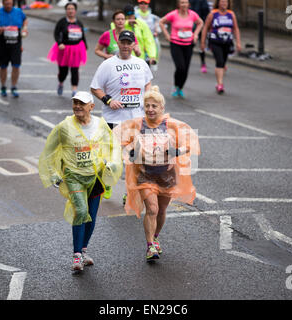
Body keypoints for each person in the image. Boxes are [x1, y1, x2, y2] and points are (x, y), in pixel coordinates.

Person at [113, 86, 200, 261]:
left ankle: (156, 237)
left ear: (162, 108)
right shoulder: (137, 124)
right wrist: (130, 150)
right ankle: (150, 246)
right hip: (145, 175)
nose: (150, 109)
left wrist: (177, 151)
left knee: (161, 211)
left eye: (154, 106)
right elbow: (116, 138)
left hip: (167, 175)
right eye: (148, 106)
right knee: (152, 209)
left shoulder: (172, 125)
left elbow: (191, 143)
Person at [38, 91, 122, 271]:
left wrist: (111, 164)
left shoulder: (100, 125)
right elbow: (49, 151)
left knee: (91, 216)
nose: (77, 106)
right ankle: (76, 256)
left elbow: (112, 146)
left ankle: (83, 250)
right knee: (81, 211)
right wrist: (53, 174)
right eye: (75, 102)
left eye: (81, 103)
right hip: (74, 177)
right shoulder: (64, 127)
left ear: (91, 106)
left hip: (96, 177)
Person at [91, 30, 153, 200]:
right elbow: (95, 87)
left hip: (136, 119)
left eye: (129, 43)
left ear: (134, 45)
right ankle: (108, 183)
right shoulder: (107, 64)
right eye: (123, 42)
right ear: (118, 43)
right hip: (114, 119)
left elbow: (148, 83)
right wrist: (108, 100)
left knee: (134, 160)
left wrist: (147, 100)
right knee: (113, 158)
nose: (125, 46)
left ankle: (129, 193)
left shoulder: (141, 64)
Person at [159, 0, 203, 98]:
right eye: (182, 2)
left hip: (188, 44)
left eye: (185, 2)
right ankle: (175, 86)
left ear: (188, 4)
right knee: (180, 67)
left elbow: (200, 23)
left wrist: (195, 34)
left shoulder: (192, 14)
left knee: (186, 69)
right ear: (178, 4)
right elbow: (161, 21)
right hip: (176, 44)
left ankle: (180, 88)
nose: (184, 4)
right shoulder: (174, 14)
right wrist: (166, 35)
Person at [47, 1, 87, 97]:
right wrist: (59, 43)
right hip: (64, 49)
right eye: (68, 9)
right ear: (66, 11)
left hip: (76, 49)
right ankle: (61, 83)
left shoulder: (79, 23)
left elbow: (82, 35)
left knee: (75, 70)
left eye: (72, 9)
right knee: (63, 71)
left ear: (75, 11)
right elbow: (56, 33)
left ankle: (74, 90)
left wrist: (85, 46)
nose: (70, 11)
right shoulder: (62, 22)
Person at [0, 0, 28, 98]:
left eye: (10, 4)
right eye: (6, 4)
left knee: (16, 66)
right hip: (3, 44)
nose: (8, 6)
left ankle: (14, 86)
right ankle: (3, 86)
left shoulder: (18, 12)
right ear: (3, 4)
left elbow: (25, 20)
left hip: (16, 44)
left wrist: (25, 28)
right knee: (3, 67)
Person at [201, 0, 241, 94]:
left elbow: (235, 28)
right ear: (218, 3)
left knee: (223, 63)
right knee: (219, 61)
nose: (224, 4)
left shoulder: (231, 14)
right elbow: (205, 27)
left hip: (227, 42)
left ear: (228, 4)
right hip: (215, 42)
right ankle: (220, 84)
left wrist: (238, 42)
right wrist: (203, 42)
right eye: (222, 2)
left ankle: (219, 80)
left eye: (225, 2)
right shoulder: (213, 14)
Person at [134, 0, 161, 70]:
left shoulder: (153, 17)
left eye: (145, 3)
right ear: (138, 4)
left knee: (146, 65)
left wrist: (156, 32)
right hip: (139, 42)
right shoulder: (134, 16)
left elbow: (159, 25)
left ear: (148, 5)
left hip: (150, 42)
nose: (143, 5)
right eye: (141, 3)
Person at [189, 0, 210, 73]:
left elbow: (207, 15)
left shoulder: (203, 2)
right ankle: (186, 62)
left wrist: (205, 27)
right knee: (189, 45)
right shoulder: (189, 1)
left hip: (201, 27)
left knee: (202, 44)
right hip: (189, 27)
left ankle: (203, 63)